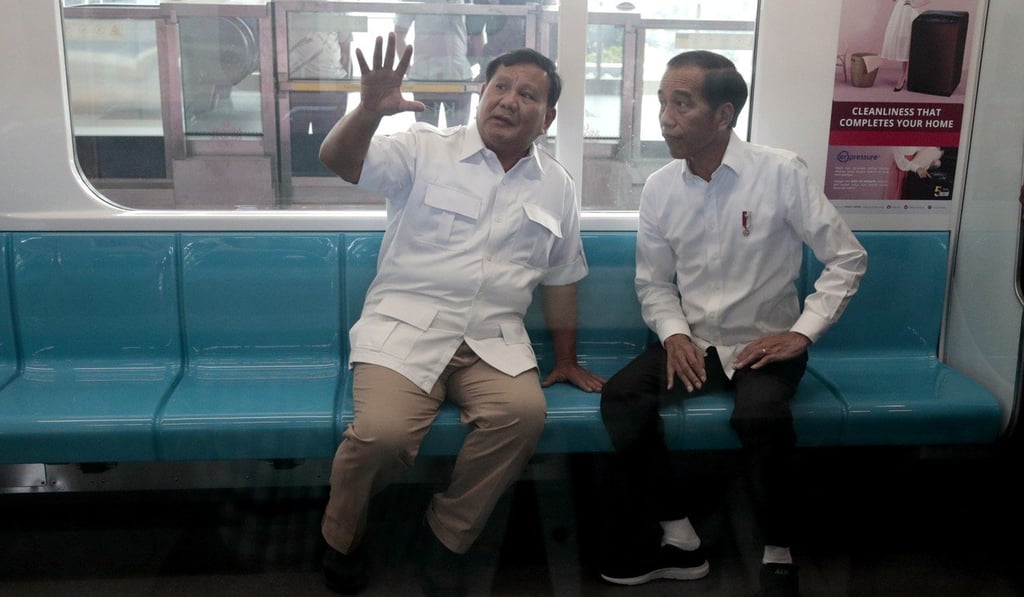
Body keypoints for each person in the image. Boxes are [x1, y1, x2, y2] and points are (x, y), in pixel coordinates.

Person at [317, 33, 605, 595]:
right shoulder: (424, 148)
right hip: (405, 329)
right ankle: (339, 536)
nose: (509, 100)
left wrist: (566, 360)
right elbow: (339, 161)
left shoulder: (557, 186)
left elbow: (562, 276)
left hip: (493, 340)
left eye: (528, 95)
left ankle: (446, 535)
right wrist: (370, 111)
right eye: (500, 86)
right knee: (381, 436)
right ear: (481, 93)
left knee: (522, 416)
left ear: (547, 118)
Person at [598, 51, 867, 597]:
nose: (665, 117)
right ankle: (679, 539)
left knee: (761, 414)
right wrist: (673, 334)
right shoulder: (660, 188)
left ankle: (777, 547)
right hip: (692, 343)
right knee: (622, 396)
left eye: (681, 103)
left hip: (764, 345)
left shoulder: (780, 172)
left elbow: (847, 259)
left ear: (723, 115)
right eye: (662, 102)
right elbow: (654, 283)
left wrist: (802, 333)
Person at [395, 0, 474, 126]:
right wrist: (408, 70)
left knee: (459, 134)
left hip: (458, 76)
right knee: (425, 133)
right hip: (425, 78)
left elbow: (475, 32)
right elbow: (399, 35)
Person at [880, 0, 932, 92]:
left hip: (908, 13)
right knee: (902, 42)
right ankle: (903, 75)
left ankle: (908, 75)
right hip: (898, 12)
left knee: (910, 40)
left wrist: (914, 4)